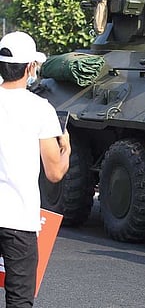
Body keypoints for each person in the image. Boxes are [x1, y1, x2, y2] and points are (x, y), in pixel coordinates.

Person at [0, 31, 71, 307]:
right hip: (18, 220)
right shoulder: (41, 109)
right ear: (30, 67)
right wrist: (66, 148)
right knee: (19, 300)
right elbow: (54, 172)